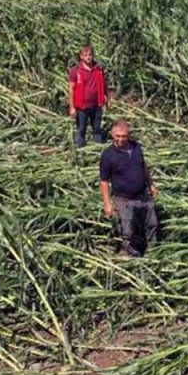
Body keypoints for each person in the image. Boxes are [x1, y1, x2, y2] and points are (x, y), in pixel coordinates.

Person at [99, 121, 159, 257]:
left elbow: (144, 167)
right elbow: (104, 181)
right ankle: (132, 255)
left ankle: (152, 252)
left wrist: (151, 185)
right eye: (118, 136)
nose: (120, 139)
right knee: (128, 230)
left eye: (124, 136)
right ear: (112, 135)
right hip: (123, 198)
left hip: (142, 194)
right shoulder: (108, 155)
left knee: (152, 224)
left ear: (128, 136)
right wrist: (107, 203)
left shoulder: (136, 148)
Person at [68, 44, 108, 147]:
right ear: (81, 56)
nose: (88, 57)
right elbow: (71, 89)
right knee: (81, 129)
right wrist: (72, 107)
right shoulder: (75, 71)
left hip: (96, 104)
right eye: (85, 55)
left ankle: (97, 150)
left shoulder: (98, 69)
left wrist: (106, 97)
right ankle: (80, 151)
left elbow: (103, 84)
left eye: (90, 54)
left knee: (97, 128)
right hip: (82, 107)